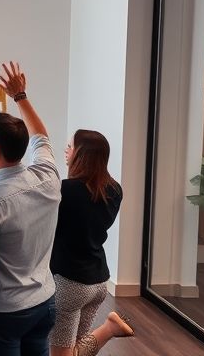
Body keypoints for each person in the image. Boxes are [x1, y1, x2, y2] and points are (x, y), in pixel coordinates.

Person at [0, 62, 62, 356]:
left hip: (2, 313)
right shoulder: (48, 176)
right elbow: (40, 136)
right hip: (43, 303)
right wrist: (20, 96)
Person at [49, 130, 133, 355]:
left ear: (81, 154)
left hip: (69, 283)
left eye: (70, 146)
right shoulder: (114, 190)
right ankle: (110, 328)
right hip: (97, 282)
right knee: (73, 348)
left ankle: (108, 328)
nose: (66, 150)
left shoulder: (65, 191)